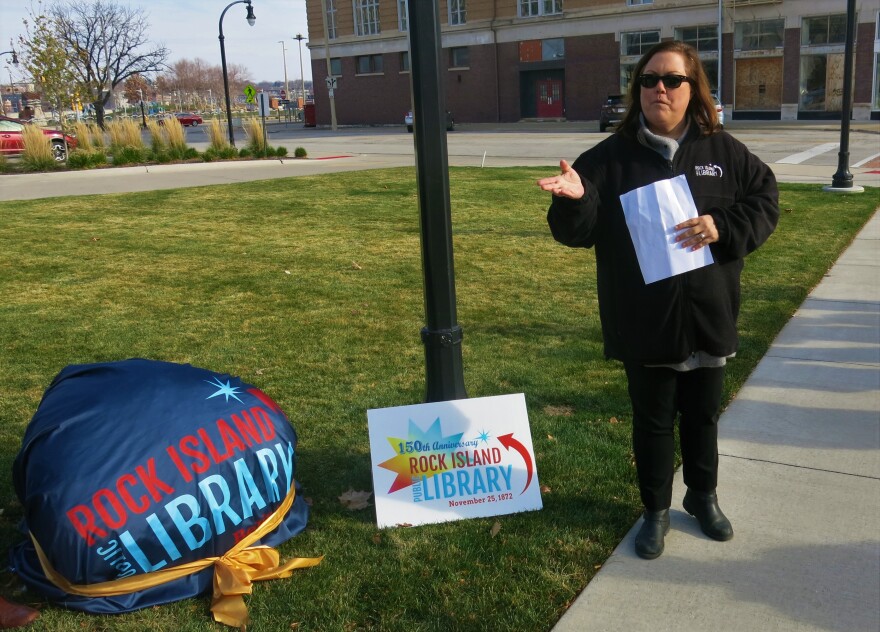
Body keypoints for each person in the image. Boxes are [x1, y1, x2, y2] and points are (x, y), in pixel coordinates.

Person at [538, 41, 779, 560]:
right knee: (652, 420)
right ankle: (655, 510)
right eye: (648, 81)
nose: (659, 90)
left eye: (671, 80)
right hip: (644, 320)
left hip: (709, 316)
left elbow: (765, 199)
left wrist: (724, 226)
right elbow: (575, 233)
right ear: (637, 91)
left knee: (703, 416)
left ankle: (703, 496)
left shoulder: (724, 152)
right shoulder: (606, 159)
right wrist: (574, 201)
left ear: (693, 90)